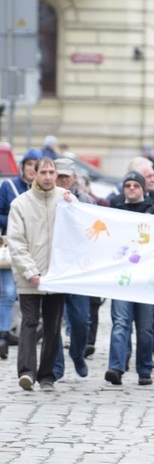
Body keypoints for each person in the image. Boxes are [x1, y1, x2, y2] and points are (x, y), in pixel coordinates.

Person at [7, 157, 75, 391]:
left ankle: (47, 375)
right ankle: (26, 372)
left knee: (53, 327)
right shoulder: (20, 204)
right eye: (43, 172)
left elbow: (79, 233)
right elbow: (16, 242)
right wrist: (30, 271)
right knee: (29, 322)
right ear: (34, 174)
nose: (47, 176)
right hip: (30, 278)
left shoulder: (66, 200)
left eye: (51, 172)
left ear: (57, 175)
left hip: (56, 277)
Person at [105, 171, 154, 386]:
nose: (131, 188)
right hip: (122, 279)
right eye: (128, 185)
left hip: (147, 279)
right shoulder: (116, 212)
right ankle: (116, 366)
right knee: (120, 323)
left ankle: (144, 369)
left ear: (143, 189)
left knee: (145, 327)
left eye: (135, 185)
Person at [52, 158, 96, 380]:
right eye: (58, 176)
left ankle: (77, 354)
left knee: (81, 320)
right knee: (53, 320)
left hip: (79, 270)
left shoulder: (86, 200)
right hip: (53, 268)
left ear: (74, 178)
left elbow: (97, 232)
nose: (62, 180)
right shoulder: (46, 200)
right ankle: (57, 366)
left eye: (65, 176)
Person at [0, 148, 41, 359]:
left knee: (25, 294)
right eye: (29, 164)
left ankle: (27, 332)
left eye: (37, 165)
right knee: (8, 292)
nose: (32, 169)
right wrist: (14, 221)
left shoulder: (42, 192)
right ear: (23, 166)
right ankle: (3, 336)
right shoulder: (8, 187)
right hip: (11, 247)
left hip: (35, 249)